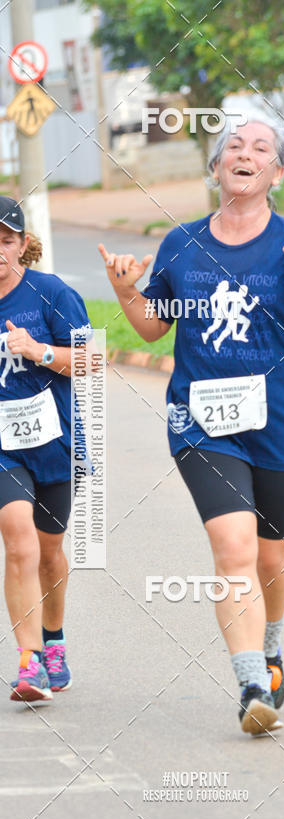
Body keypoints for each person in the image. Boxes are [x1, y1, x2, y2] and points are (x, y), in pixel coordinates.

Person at [99, 116, 284, 734]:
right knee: (234, 547)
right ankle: (251, 684)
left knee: (270, 553)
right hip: (202, 422)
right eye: (233, 146)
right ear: (215, 168)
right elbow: (153, 326)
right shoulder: (182, 243)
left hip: (283, 421)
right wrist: (127, 290)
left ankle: (271, 646)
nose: (246, 154)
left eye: (261, 149)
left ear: (277, 173)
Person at [0, 196, 92, 702]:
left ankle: (53, 640)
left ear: (23, 244)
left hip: (54, 441)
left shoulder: (51, 293)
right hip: (3, 448)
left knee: (49, 551)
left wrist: (38, 351)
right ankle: (29, 661)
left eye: (6, 241)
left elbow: (91, 361)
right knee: (19, 542)